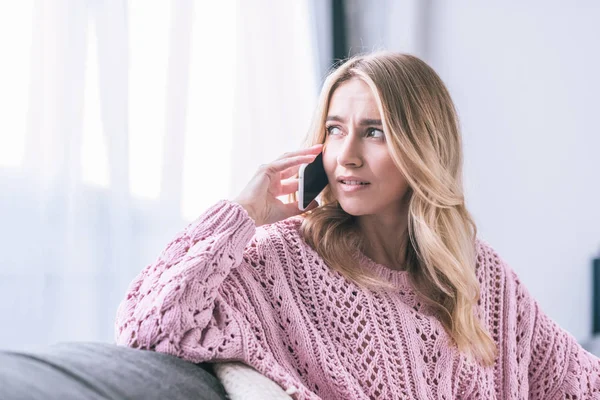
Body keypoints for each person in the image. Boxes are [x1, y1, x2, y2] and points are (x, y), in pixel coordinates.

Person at [114, 51, 600, 399]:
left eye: (374, 132)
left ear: (423, 147)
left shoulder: (475, 273)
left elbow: (580, 381)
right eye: (334, 129)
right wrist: (243, 212)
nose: (345, 155)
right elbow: (146, 328)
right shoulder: (280, 258)